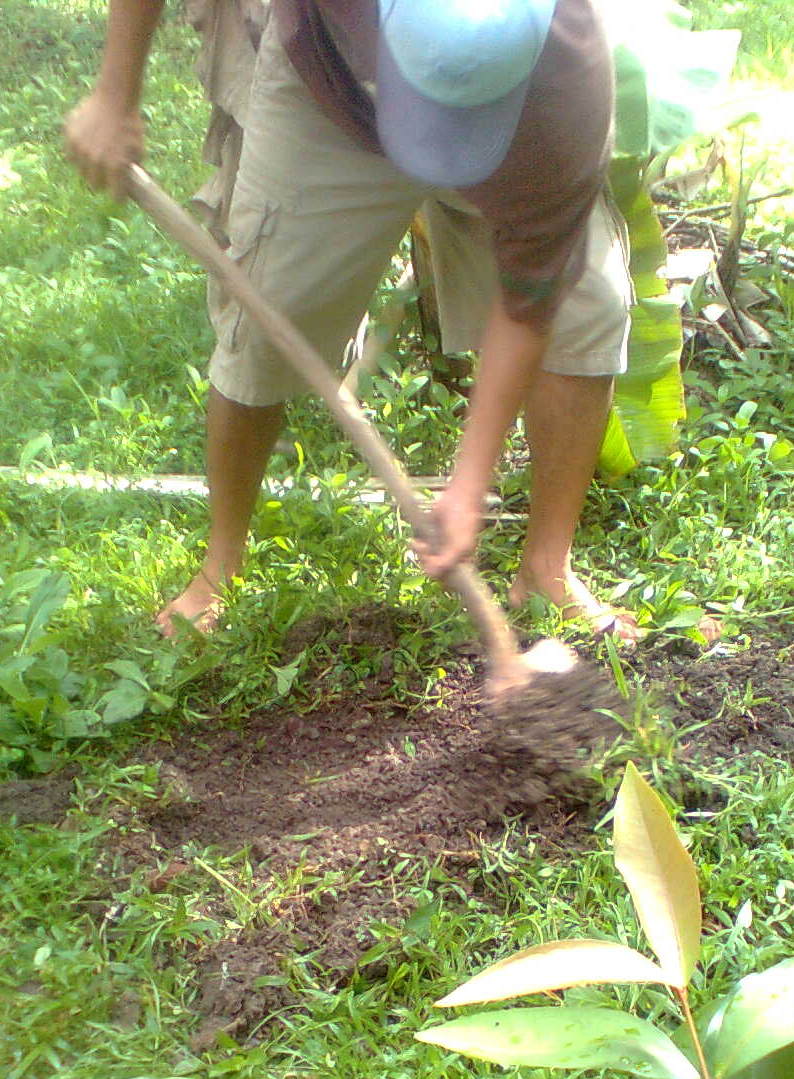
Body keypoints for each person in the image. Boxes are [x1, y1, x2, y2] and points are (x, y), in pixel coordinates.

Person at [65, 0, 637, 642]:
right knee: (266, 316)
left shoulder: (569, 77)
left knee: (586, 307)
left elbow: (531, 299)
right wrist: (115, 93)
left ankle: (547, 570)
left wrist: (468, 484)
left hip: (523, 129)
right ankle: (219, 570)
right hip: (331, 87)